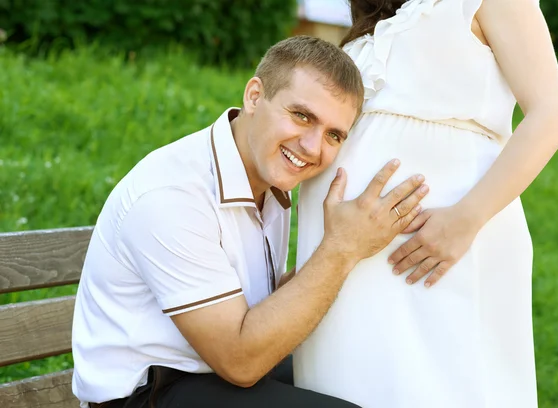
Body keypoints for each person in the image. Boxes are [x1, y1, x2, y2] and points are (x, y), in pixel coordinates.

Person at [71, 35, 429, 408]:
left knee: (366, 378)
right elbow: (240, 362)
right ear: (255, 96)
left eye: (333, 135)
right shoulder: (172, 195)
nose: (312, 147)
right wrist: (342, 248)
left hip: (214, 376)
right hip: (147, 395)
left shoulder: (266, 180)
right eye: (302, 116)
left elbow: (259, 313)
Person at [293, 1, 558, 407]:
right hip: (348, 262)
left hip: (443, 246)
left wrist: (466, 219)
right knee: (346, 385)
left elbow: (552, 116)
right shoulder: (379, 15)